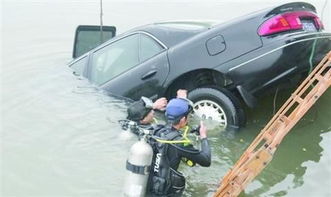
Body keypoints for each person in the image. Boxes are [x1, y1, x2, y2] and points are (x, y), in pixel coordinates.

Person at [147, 91, 211, 196]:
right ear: (182, 119)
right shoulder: (180, 142)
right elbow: (206, 160)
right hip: (164, 193)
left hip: (149, 188)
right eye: (189, 116)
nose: (189, 118)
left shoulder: (156, 130)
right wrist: (203, 136)